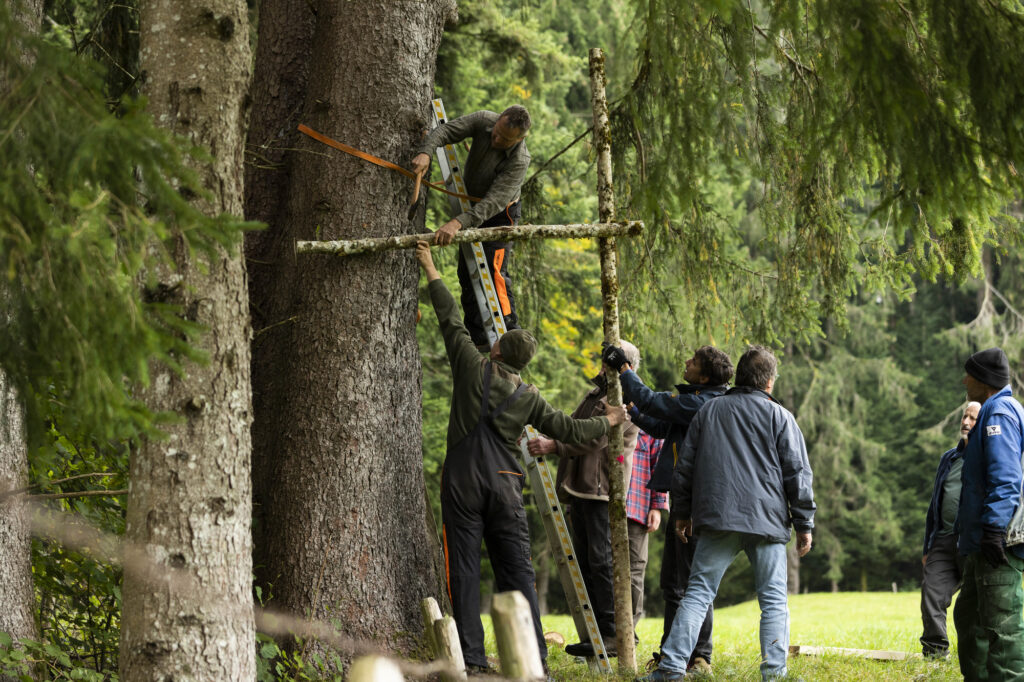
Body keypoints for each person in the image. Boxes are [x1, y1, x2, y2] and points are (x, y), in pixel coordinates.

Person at [414, 241, 626, 674]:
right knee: (517, 573)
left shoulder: (471, 365)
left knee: (466, 571)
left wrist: (429, 264)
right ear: (522, 365)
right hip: (507, 482)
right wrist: (611, 421)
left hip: (462, 481)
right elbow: (571, 430)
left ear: (496, 349)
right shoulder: (530, 397)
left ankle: (472, 661)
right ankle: (535, 664)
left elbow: (450, 317)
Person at [641, 345, 815, 682]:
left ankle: (671, 668)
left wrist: (682, 513)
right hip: (767, 522)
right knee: (774, 601)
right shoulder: (782, 417)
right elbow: (798, 474)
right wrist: (804, 524)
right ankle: (774, 675)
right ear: (769, 382)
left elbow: (685, 467)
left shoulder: (710, 411)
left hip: (717, 519)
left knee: (698, 592)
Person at [602, 343, 733, 674]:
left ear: (704, 375)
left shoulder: (702, 402)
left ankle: (679, 656)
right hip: (698, 500)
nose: (685, 362)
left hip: (695, 504)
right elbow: (661, 425)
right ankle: (696, 656)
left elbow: (655, 401)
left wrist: (624, 369)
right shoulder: (703, 400)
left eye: (692, 362)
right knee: (693, 580)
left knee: (680, 583)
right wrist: (632, 411)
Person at [526, 341, 642, 657]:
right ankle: (598, 635)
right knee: (589, 561)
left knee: (603, 561)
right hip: (582, 487)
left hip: (601, 489)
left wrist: (554, 447)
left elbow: (594, 437)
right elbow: (574, 425)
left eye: (608, 360)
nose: (601, 364)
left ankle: (616, 634)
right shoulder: (596, 395)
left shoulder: (625, 400)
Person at [412, 106, 531, 347]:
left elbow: (494, 202)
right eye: (495, 133)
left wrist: (458, 222)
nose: (496, 140)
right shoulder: (483, 119)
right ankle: (478, 338)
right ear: (497, 121)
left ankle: (510, 332)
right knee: (467, 273)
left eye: (505, 140)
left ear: (520, 139)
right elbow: (444, 132)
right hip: (472, 205)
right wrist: (426, 152)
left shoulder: (520, 160)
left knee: (495, 271)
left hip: (500, 214)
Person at [953, 347, 1024, 680]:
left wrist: (994, 530)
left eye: (969, 374)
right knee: (970, 620)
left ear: (984, 380)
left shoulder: (999, 414)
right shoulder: (996, 410)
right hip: (982, 543)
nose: (964, 379)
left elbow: (1006, 476)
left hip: (999, 545)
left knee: (1002, 630)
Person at [920, 400, 980, 658]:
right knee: (931, 594)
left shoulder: (988, 457)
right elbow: (934, 504)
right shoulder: (949, 458)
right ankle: (935, 653)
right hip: (942, 541)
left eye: (972, 418)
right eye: (964, 417)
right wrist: (927, 546)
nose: (965, 423)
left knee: (975, 603)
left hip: (973, 542)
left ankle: (976, 655)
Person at [626, 430, 667, 627]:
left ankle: (629, 631)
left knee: (635, 569)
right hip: (602, 508)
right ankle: (600, 634)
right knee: (601, 567)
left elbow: (661, 465)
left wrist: (657, 506)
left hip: (637, 508)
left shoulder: (651, 425)